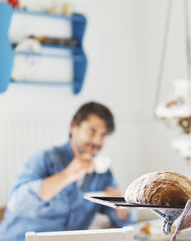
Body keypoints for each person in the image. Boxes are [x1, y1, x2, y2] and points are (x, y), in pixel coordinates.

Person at [0, 101, 136, 241]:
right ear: (73, 127)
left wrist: (123, 211)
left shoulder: (103, 174)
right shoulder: (45, 159)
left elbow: (123, 222)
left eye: (103, 135)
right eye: (91, 131)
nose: (97, 141)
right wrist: (67, 175)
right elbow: (15, 204)